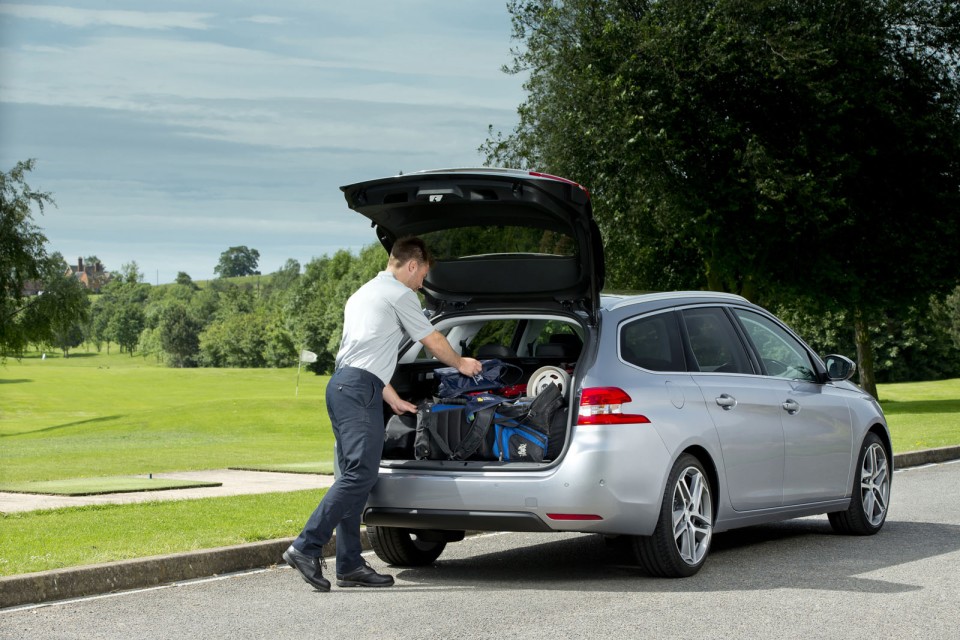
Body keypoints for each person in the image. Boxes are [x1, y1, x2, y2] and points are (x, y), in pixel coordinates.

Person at [283, 237, 482, 591]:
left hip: (345, 385)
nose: (422, 284)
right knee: (360, 474)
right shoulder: (400, 295)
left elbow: (363, 353)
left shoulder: (363, 294)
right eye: (422, 275)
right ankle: (305, 546)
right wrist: (461, 362)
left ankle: (349, 565)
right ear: (411, 265)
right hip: (358, 390)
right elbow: (432, 339)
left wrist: (388, 396)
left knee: (352, 476)